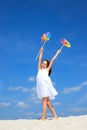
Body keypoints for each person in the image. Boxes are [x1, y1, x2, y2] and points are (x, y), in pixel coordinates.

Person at [36, 47, 61, 120]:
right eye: (43, 63)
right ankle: (55, 116)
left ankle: (43, 118)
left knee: (44, 101)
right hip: (40, 87)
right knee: (47, 102)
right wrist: (41, 51)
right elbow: (39, 59)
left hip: (45, 87)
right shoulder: (39, 70)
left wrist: (57, 53)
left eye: (45, 63)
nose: (43, 64)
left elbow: (52, 60)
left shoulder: (46, 70)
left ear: (47, 66)